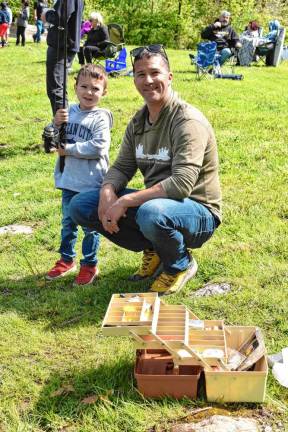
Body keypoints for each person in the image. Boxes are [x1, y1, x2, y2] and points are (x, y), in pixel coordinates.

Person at [69, 45, 222, 296]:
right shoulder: (139, 122)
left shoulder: (187, 121)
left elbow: (182, 184)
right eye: (140, 74)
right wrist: (108, 190)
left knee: (151, 213)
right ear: (134, 79)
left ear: (169, 77)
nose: (148, 80)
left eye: (155, 73)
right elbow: (122, 166)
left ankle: (179, 264)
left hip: (198, 211)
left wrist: (126, 200)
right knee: (82, 205)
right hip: (159, 205)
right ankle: (155, 247)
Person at [46, 64, 113, 286]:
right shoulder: (68, 112)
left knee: (90, 227)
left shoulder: (101, 117)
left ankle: (89, 264)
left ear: (104, 92)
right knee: (67, 224)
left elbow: (99, 147)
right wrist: (55, 124)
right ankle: (66, 260)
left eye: (95, 88)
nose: (89, 92)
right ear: (75, 88)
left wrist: (70, 149)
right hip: (68, 181)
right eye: (84, 86)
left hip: (91, 183)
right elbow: (50, 140)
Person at [41, 0, 84, 115]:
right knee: (59, 86)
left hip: (61, 46)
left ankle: (61, 127)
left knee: (55, 89)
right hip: (65, 45)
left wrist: (46, 14)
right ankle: (63, 123)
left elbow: (60, 16)